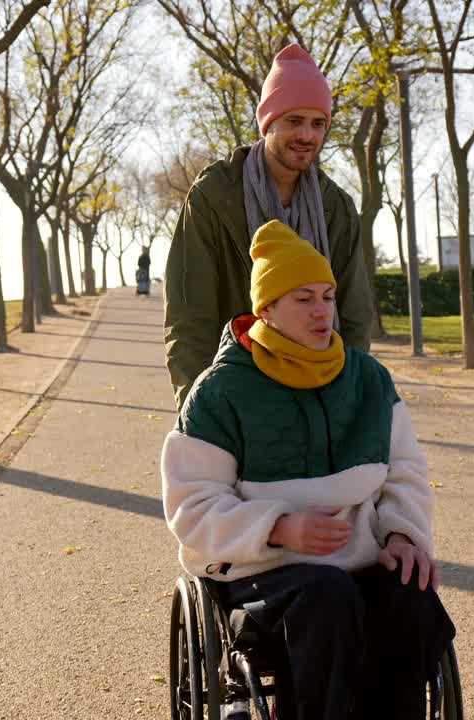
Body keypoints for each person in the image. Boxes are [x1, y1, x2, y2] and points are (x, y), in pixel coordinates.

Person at [161, 221, 454, 720]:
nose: (322, 311)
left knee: (412, 597)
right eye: (303, 299)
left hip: (361, 557)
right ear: (266, 309)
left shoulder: (368, 380)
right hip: (262, 570)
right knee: (325, 596)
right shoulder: (218, 392)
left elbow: (404, 472)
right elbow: (192, 507)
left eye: (327, 296)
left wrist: (404, 536)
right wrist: (278, 528)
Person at [163, 43, 372, 410]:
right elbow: (188, 316)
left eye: (318, 123)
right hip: (236, 393)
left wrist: (351, 402)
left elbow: (353, 312)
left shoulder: (335, 207)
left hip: (321, 393)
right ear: (268, 121)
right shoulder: (214, 197)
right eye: (294, 121)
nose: (307, 135)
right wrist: (196, 410)